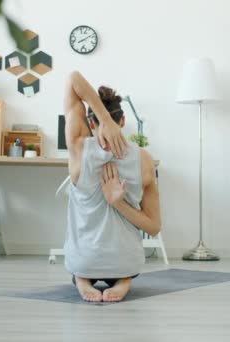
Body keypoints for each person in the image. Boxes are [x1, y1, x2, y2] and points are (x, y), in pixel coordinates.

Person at [63, 71, 161, 302]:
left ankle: (82, 278)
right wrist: (121, 204)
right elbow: (154, 227)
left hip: (83, 259)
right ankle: (124, 279)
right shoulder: (145, 160)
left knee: (81, 260)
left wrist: (102, 119)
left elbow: (73, 79)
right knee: (125, 261)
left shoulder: (78, 149)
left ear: (90, 122)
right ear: (124, 121)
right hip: (126, 261)